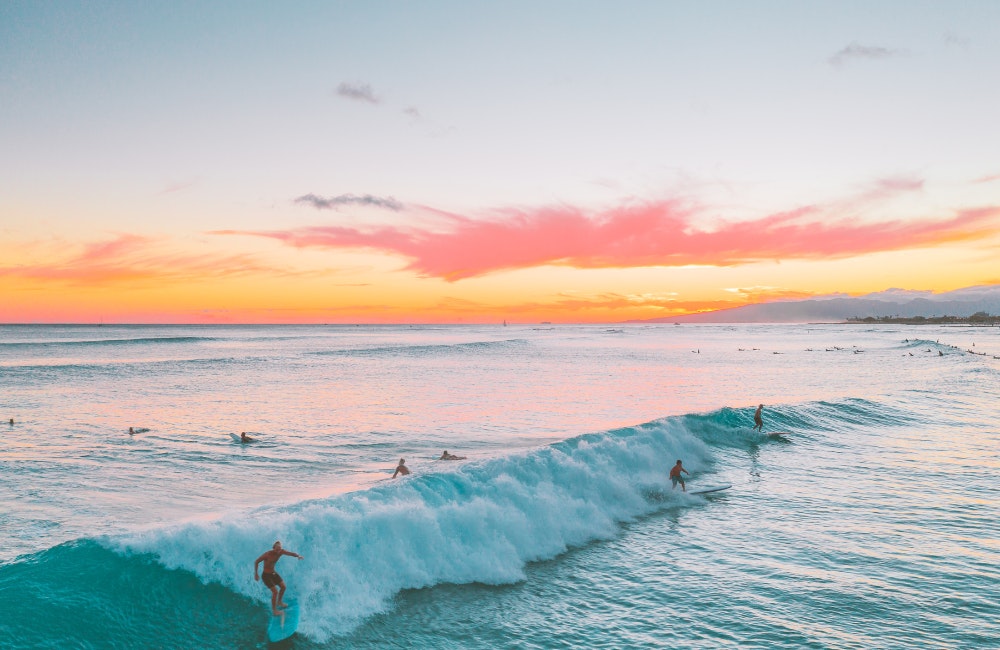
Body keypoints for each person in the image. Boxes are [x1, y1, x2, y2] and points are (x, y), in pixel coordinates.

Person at [254, 541, 304, 616]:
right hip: (266, 575)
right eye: (277, 549)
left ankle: (279, 602)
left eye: (279, 549)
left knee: (283, 587)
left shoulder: (281, 552)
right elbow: (256, 561)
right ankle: (274, 611)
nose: (278, 551)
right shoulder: (267, 554)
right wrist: (256, 574)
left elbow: (290, 553)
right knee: (275, 592)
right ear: (273, 548)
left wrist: (298, 556)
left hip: (273, 573)